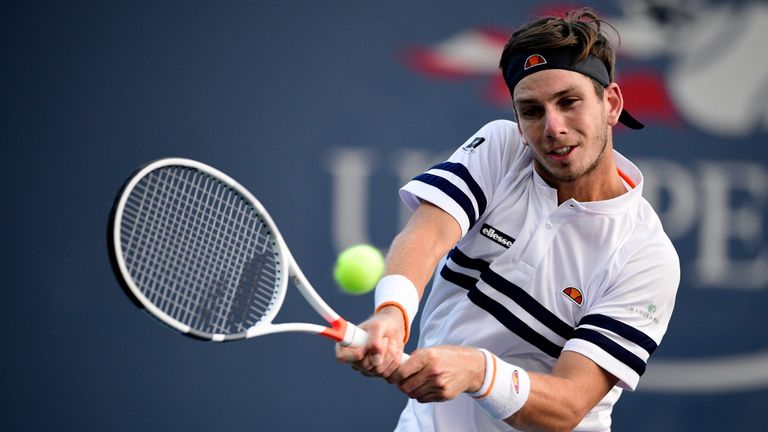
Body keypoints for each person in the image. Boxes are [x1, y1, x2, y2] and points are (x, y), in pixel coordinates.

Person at [336, 8, 680, 432]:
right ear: (517, 122)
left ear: (610, 103)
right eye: (532, 111)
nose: (553, 127)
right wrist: (392, 313)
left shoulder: (646, 256)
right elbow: (426, 235)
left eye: (569, 102)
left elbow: (569, 404)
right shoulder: (500, 149)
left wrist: (479, 372)